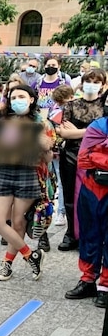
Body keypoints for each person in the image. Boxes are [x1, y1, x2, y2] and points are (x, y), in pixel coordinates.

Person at [0, 85, 53, 282]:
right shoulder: (2, 121)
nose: (17, 100)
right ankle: (30, 254)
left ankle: (7, 264)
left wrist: (41, 141)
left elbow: (49, 155)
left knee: (18, 222)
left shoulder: (41, 123)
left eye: (21, 96)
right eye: (13, 97)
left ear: (31, 99)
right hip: (4, 172)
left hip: (29, 173)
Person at [57, 72, 107, 251]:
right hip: (71, 155)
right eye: (88, 81)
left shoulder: (104, 106)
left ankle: (91, 236)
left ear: (102, 85)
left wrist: (81, 131)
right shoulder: (71, 105)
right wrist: (93, 130)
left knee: (93, 198)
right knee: (70, 196)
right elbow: (63, 132)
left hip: (98, 157)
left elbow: (104, 133)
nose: (92, 84)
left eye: (96, 82)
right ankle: (71, 234)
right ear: (82, 83)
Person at [66, 110, 108, 306]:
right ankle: (88, 279)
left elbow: (92, 155)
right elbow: (83, 158)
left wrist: (99, 154)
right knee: (89, 235)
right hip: (93, 189)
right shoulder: (98, 127)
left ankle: (105, 285)